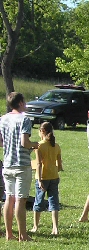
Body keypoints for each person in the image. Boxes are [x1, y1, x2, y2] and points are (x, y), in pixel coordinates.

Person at [0, 92, 38, 241]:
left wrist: (10, 145)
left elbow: (1, 141)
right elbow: (25, 142)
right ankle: (23, 234)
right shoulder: (25, 119)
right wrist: (34, 145)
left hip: (8, 163)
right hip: (21, 164)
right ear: (21, 103)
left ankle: (9, 233)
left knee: (9, 198)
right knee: (21, 200)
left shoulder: (3, 119)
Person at [31, 122, 63, 235]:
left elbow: (39, 164)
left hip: (43, 177)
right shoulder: (56, 145)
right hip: (54, 176)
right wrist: (57, 169)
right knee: (54, 202)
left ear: (42, 131)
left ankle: (35, 226)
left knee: (38, 201)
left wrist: (39, 180)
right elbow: (59, 164)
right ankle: (55, 228)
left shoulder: (39, 146)